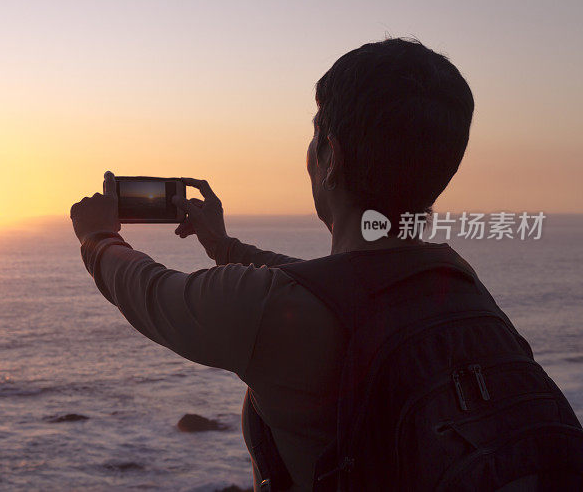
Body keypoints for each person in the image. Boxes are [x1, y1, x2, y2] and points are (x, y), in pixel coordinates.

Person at [69, 38, 583, 491]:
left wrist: (97, 237)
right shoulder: (457, 282)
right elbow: (332, 288)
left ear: (330, 155)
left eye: (316, 135)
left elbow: (153, 293)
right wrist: (225, 247)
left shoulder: (273, 312)